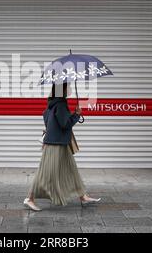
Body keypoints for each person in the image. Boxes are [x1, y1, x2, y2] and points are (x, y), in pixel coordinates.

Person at [23, 83, 101, 211]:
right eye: (67, 87)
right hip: (56, 144)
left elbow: (47, 118)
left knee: (71, 170)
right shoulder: (60, 104)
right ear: (62, 90)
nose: (69, 89)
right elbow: (65, 124)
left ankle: (83, 197)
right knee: (46, 172)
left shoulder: (52, 103)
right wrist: (76, 114)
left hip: (59, 143)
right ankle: (29, 198)